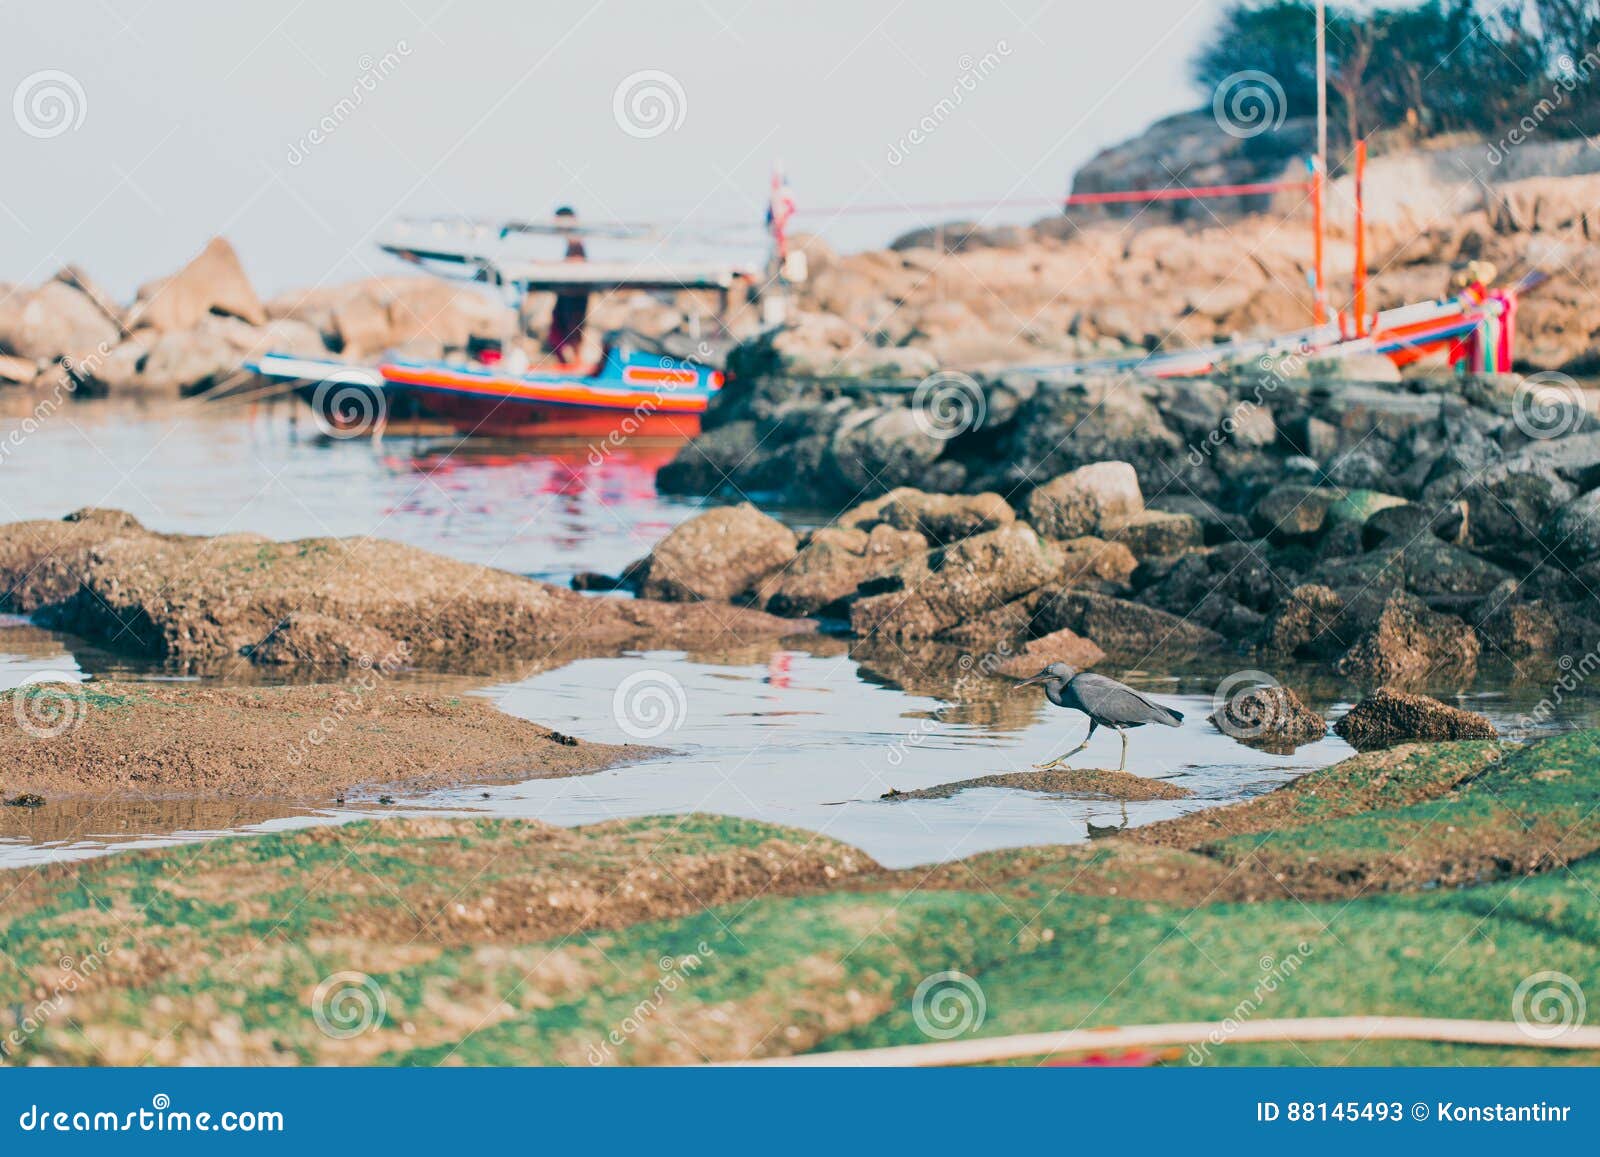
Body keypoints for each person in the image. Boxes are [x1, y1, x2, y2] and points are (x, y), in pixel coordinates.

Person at [545, 206, 590, 364]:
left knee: (568, 334)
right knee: (559, 334)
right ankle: (570, 363)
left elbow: (578, 264)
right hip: (568, 295)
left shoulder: (576, 242)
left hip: (574, 296)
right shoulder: (572, 242)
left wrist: (546, 266)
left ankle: (574, 364)